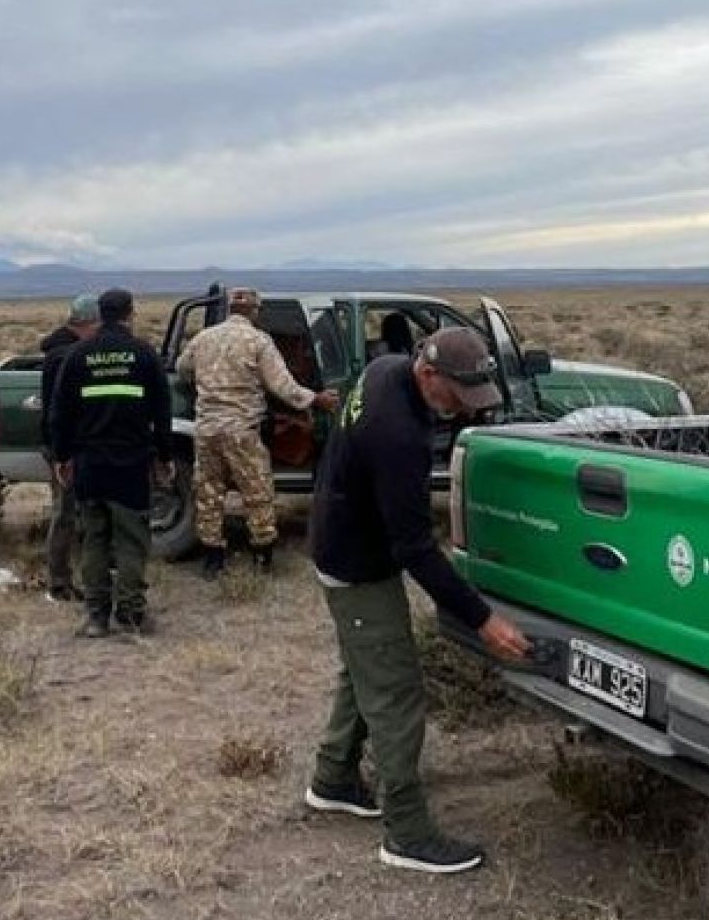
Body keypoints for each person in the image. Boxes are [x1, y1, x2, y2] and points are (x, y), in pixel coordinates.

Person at [304, 326, 530, 875]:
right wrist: (482, 619)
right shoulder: (398, 434)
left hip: (339, 538)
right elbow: (416, 549)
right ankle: (406, 832)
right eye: (458, 397)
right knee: (396, 692)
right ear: (429, 374)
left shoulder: (385, 370)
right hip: (357, 564)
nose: (461, 411)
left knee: (365, 667)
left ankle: (333, 778)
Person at [176, 287, 341, 578]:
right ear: (254, 311)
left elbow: (182, 369)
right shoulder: (258, 341)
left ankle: (213, 561)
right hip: (242, 430)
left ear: (230, 309)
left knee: (209, 494)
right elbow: (283, 387)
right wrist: (316, 399)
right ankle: (262, 560)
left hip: (207, 429)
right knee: (257, 493)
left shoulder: (203, 338)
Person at [48, 289, 173, 639]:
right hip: (131, 464)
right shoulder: (144, 355)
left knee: (94, 540)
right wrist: (164, 457)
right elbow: (162, 413)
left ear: (101, 315)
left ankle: (96, 617)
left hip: (89, 464)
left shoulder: (78, 356)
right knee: (132, 541)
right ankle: (131, 615)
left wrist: (62, 456)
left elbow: (60, 414)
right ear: (130, 314)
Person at [38, 294, 102, 603]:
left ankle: (63, 579)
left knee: (67, 511)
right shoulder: (67, 356)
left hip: (61, 444)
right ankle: (59, 582)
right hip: (67, 446)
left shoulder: (57, 352)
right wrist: (64, 452)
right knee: (65, 513)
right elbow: (61, 410)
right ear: (90, 323)